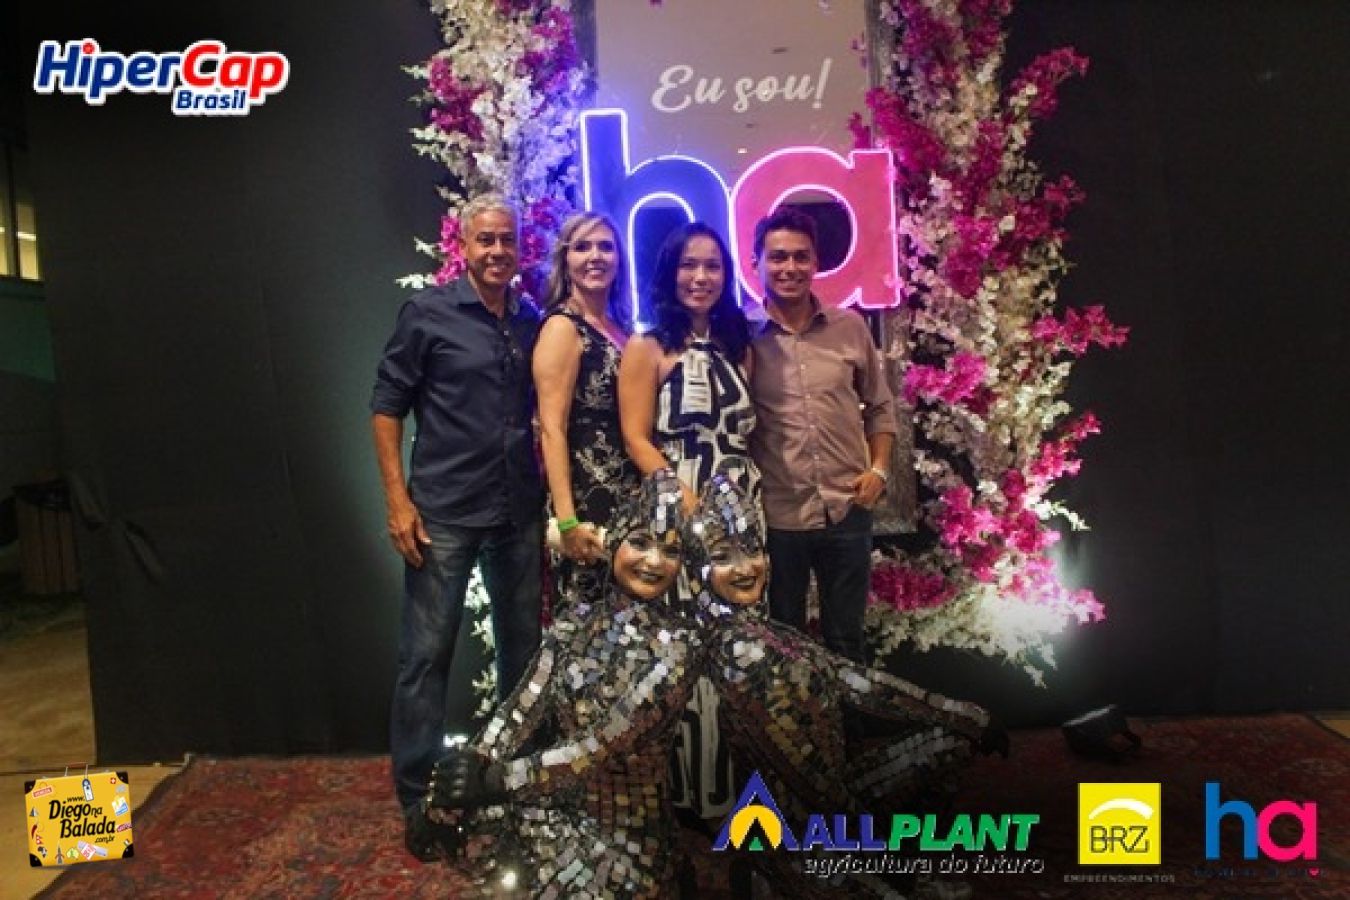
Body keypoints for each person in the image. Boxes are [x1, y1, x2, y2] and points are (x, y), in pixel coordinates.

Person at [686, 475, 1004, 899]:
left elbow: (854, 680)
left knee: (951, 741)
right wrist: (865, 839)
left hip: (836, 802)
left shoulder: (769, 631)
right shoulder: (737, 650)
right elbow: (805, 777)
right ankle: (786, 876)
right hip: (798, 832)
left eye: (752, 551)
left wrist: (958, 715)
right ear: (698, 567)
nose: (745, 569)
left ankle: (903, 868)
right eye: (722, 557)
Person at [423, 470, 701, 898]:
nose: (653, 561)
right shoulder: (575, 624)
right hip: (560, 806)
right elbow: (520, 709)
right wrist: (462, 777)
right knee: (462, 820)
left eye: (671, 550)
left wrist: (498, 779)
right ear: (614, 542)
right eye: (641, 542)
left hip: (633, 839)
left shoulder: (681, 646)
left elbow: (600, 747)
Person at [370, 193, 544, 860]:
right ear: (463, 247)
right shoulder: (429, 313)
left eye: (507, 240)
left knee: (523, 657)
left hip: (516, 510)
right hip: (442, 511)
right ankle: (419, 801)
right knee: (425, 658)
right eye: (485, 240)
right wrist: (398, 502)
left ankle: (510, 780)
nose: (498, 251)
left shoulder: (528, 319)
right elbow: (387, 405)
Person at [617, 221, 755, 818]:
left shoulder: (737, 343)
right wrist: (685, 499)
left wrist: (738, 508)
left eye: (713, 266)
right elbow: (635, 437)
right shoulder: (646, 346)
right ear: (670, 273)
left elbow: (749, 431)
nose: (701, 276)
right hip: (680, 508)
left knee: (737, 643)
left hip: (740, 509)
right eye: (689, 265)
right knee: (686, 643)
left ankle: (735, 785)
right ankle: (691, 791)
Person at [749, 207, 898, 664]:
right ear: (756, 263)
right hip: (779, 515)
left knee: (846, 642)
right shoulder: (743, 338)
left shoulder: (849, 328)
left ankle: (846, 715)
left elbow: (880, 406)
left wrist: (878, 470)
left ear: (816, 263)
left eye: (801, 256)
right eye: (777, 257)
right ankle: (797, 715)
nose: (790, 267)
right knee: (783, 646)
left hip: (846, 508)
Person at [533, 212, 639, 607]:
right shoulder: (563, 327)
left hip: (627, 494)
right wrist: (567, 520)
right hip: (585, 498)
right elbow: (552, 428)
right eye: (582, 247)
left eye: (605, 247)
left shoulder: (618, 328)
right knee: (590, 625)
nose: (595, 256)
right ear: (565, 260)